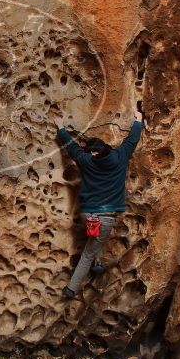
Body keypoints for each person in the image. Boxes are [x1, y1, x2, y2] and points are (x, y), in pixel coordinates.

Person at [53, 108, 143, 299]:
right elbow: (132, 140)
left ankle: (97, 264)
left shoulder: (86, 160)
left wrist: (61, 127)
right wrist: (138, 120)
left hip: (88, 215)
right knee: (89, 251)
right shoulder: (120, 157)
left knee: (95, 239)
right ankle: (71, 288)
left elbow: (71, 147)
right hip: (105, 216)